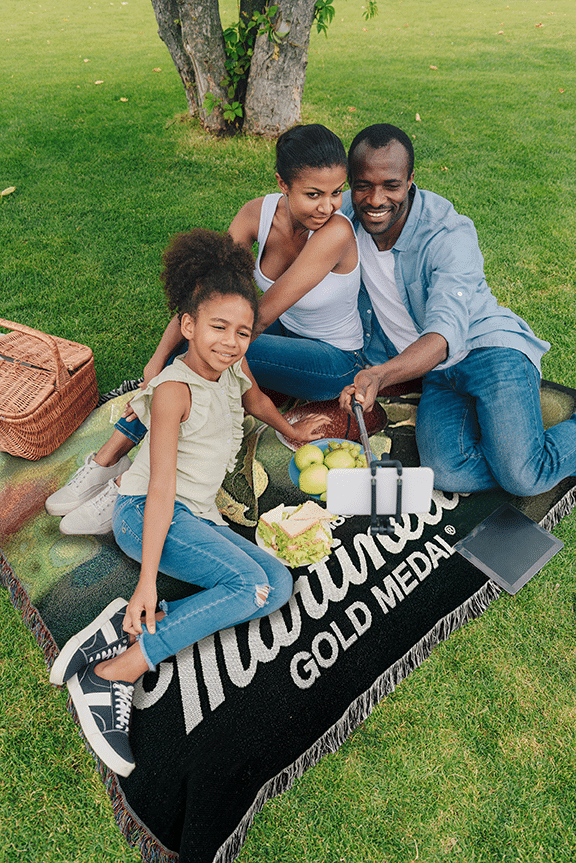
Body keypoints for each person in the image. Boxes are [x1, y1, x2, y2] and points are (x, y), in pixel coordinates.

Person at [48, 228, 330, 777]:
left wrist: (291, 432)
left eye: (243, 332)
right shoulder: (175, 391)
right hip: (150, 515)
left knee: (277, 584)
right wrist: (147, 582)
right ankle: (115, 673)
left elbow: (255, 398)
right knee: (247, 586)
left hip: (193, 514)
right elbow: (157, 488)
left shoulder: (230, 369)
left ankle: (118, 631)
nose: (231, 341)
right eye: (218, 328)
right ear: (188, 326)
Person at [45, 124, 363, 534]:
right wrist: (156, 360)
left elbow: (258, 318)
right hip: (284, 340)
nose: (328, 206)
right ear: (283, 183)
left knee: (211, 353)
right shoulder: (255, 215)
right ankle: (109, 461)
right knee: (202, 354)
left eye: (337, 192)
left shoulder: (335, 232)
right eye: (314, 194)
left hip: (334, 361)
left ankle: (130, 483)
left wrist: (189, 357)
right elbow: (206, 294)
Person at [339, 123, 576, 497]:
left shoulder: (449, 235)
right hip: (437, 373)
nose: (375, 199)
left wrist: (379, 375)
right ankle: (514, 444)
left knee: (526, 478)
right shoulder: (344, 220)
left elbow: (443, 336)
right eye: (363, 185)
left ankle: (524, 453)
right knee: (449, 473)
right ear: (349, 182)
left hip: (490, 352)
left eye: (391, 185)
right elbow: (292, 206)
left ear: (410, 180)